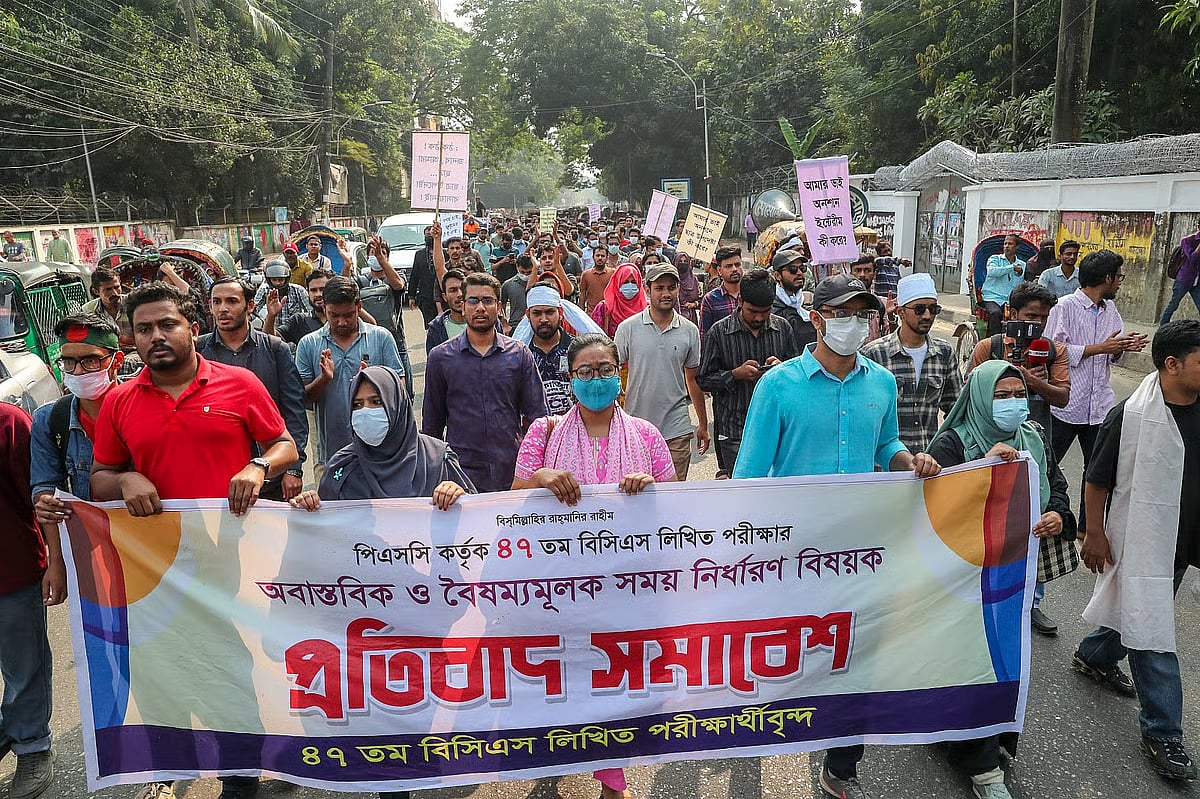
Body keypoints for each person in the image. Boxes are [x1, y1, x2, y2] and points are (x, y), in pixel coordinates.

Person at [732, 274, 941, 799]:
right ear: (817, 317)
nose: (853, 323)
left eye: (862, 313)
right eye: (841, 313)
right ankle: (765, 720)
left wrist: (905, 459)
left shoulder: (881, 382)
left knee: (857, 653)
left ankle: (841, 763)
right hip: (791, 550)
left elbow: (888, 439)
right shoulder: (777, 386)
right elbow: (750, 476)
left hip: (860, 548)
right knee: (789, 649)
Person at [90, 282, 298, 799]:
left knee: (231, 667)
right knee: (165, 667)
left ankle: (240, 776)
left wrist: (258, 465)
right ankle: (170, 765)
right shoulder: (119, 403)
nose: (156, 337)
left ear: (193, 329)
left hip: (231, 558)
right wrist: (125, 481)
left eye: (167, 325)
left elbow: (284, 445)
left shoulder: (241, 383)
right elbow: (99, 477)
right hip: (155, 567)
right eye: (144, 329)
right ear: (131, 338)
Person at [925, 360, 1074, 799]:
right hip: (963, 576)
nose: (1013, 404)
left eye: (1018, 394)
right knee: (971, 662)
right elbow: (934, 508)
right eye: (1000, 395)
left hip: (1015, 575)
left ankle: (989, 741)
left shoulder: (1033, 437)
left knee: (1005, 662)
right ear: (978, 397)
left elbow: (1057, 484)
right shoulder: (954, 442)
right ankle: (982, 766)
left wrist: (1057, 515)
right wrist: (983, 469)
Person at [1073, 320, 1200, 783]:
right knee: (1152, 630)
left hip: (1181, 541)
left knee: (1142, 607)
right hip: (1141, 538)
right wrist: (1094, 532)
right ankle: (1163, 731)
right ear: (1173, 364)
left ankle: (1096, 654)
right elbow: (1097, 478)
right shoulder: (1130, 415)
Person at [967, 281, 1073, 636]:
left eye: (1043, 318)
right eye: (1030, 317)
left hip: (1034, 441)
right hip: (987, 447)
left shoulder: (1053, 350)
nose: (1036, 324)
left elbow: (1061, 398)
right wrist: (1001, 376)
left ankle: (1032, 601)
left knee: (1033, 523)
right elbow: (971, 392)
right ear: (1012, 315)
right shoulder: (990, 347)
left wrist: (1032, 381)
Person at [1044, 249, 1146, 537]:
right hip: (1066, 404)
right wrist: (1100, 348)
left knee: (1097, 471)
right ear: (1106, 278)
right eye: (1118, 277)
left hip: (1098, 405)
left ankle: (1086, 527)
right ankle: (1041, 514)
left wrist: (1123, 347)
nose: (1120, 283)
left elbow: (1112, 352)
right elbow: (1052, 350)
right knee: (1046, 463)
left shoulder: (1110, 310)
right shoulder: (1065, 307)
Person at [30, 313, 125, 606]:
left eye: (90, 360)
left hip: (148, 549)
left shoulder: (143, 412)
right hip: (89, 556)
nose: (78, 371)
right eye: (69, 362)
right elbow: (46, 489)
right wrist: (56, 562)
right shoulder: (50, 420)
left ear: (116, 361)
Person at [423, 272, 548, 493]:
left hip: (512, 473)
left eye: (487, 301)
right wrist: (436, 476)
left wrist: (534, 467)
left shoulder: (518, 354)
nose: (480, 307)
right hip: (460, 478)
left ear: (498, 307)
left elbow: (538, 419)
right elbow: (432, 428)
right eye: (473, 300)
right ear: (462, 306)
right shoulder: (441, 358)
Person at [290, 366, 474, 507]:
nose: (366, 411)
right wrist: (310, 506)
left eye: (376, 402)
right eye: (357, 404)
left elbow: (478, 520)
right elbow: (326, 533)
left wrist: (458, 496)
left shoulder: (437, 458)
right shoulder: (342, 467)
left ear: (397, 404)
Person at [198, 277, 308, 502]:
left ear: (249, 306)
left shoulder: (276, 349)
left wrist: (293, 468)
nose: (223, 309)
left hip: (269, 477)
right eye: (216, 302)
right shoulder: (197, 351)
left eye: (231, 301)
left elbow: (294, 413)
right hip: (214, 480)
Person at [296, 277, 405, 476]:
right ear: (324, 308)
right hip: (332, 454)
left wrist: (374, 383)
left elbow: (400, 389)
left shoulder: (380, 337)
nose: (341, 322)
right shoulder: (309, 344)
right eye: (333, 315)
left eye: (348, 315)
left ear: (359, 306)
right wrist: (324, 380)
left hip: (381, 452)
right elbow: (302, 399)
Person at [0, 401, 54, 799]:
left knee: (24, 667)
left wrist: (55, 560)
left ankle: (32, 746)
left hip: (11, 571)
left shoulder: (9, 423)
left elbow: (38, 500)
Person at [698, 267, 800, 477]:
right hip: (734, 430)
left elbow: (798, 376)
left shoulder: (783, 329)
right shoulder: (719, 332)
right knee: (742, 493)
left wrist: (781, 369)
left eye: (766, 311)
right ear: (741, 301)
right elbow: (703, 379)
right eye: (753, 311)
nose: (760, 317)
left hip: (777, 429)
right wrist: (735, 374)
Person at [616, 262, 710, 481]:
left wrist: (703, 425)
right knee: (636, 497)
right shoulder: (628, 328)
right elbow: (612, 371)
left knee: (672, 499)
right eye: (659, 288)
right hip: (635, 429)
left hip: (676, 429)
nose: (666, 293)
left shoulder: (689, 331)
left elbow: (693, 380)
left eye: (671, 287)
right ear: (647, 290)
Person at [862, 272, 962, 454]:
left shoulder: (944, 353)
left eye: (933, 309)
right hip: (885, 465)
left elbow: (955, 410)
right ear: (901, 312)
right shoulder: (874, 354)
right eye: (919, 309)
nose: (927, 315)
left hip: (928, 461)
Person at [356, 238, 414, 397]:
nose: (376, 257)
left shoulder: (396, 276)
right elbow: (346, 295)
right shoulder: (360, 281)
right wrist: (347, 264)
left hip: (396, 342)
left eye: (381, 253)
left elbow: (398, 286)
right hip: (367, 343)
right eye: (373, 253)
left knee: (403, 392)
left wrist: (382, 260)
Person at [521, 283, 575, 415]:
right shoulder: (521, 353)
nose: (543, 319)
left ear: (560, 312)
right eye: (537, 313)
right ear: (528, 315)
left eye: (550, 312)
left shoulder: (577, 349)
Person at [265, 268, 330, 347]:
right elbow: (270, 341)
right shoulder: (299, 321)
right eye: (313, 290)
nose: (318, 294)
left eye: (322, 289)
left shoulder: (342, 319)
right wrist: (271, 316)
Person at [770, 248, 817, 349]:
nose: (799, 273)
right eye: (793, 269)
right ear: (778, 276)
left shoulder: (810, 303)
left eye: (802, 268)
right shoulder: (770, 307)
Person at [981, 234, 1026, 335]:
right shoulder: (995, 259)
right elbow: (992, 271)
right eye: (1005, 243)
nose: (1006, 246)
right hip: (992, 298)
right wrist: (1012, 267)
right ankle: (994, 342)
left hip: (1011, 300)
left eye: (1010, 244)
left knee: (1023, 315)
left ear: (1017, 247)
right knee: (995, 313)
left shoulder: (1023, 265)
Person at [82, 266, 134, 351]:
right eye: (108, 289)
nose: (114, 293)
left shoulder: (133, 305)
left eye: (117, 287)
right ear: (96, 291)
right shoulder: (88, 310)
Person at [849, 253, 896, 343]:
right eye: (858, 270)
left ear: (874, 274)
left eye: (867, 270)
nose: (862, 275)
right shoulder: (842, 304)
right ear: (851, 274)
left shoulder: (883, 304)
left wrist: (891, 317)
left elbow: (893, 340)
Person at [1159, 223, 1200, 325]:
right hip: (1184, 279)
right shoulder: (1187, 241)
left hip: (1197, 281)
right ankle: (1163, 327)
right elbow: (1193, 258)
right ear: (1199, 227)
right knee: (1173, 304)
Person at [253, 260, 310, 333]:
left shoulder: (298, 290)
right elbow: (254, 310)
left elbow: (310, 311)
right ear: (268, 279)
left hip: (295, 332)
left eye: (281, 279)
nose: (277, 283)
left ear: (287, 278)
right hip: (273, 332)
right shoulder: (264, 290)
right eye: (274, 280)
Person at [591, 262, 646, 338]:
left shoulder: (647, 309)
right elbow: (594, 338)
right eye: (625, 282)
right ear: (617, 283)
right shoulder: (604, 308)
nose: (630, 285)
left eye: (634, 282)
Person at [699, 245, 743, 336]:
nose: (734, 269)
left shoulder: (750, 294)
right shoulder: (710, 300)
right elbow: (705, 335)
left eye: (737, 265)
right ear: (719, 270)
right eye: (728, 266)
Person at [409, 225, 440, 326]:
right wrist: (411, 296)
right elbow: (414, 276)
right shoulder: (419, 254)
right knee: (430, 325)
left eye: (431, 234)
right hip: (425, 296)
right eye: (427, 235)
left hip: (441, 296)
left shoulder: (444, 253)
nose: (429, 237)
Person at [579, 240, 616, 313]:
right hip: (591, 314)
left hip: (609, 313)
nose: (600, 258)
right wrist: (581, 313)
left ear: (607, 258)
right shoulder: (586, 274)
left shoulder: (613, 273)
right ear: (593, 257)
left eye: (602, 256)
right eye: (597, 255)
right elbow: (582, 294)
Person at [674, 251, 702, 326]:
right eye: (680, 261)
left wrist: (694, 304)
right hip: (674, 317)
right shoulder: (672, 280)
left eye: (685, 261)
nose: (683, 263)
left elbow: (701, 299)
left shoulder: (694, 280)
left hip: (691, 318)